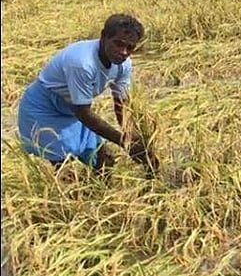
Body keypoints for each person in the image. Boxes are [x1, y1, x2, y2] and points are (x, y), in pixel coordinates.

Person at [17, 14, 148, 169]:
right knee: (67, 169)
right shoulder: (82, 63)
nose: (124, 52)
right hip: (44, 109)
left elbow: (121, 106)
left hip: (71, 109)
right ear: (103, 37)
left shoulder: (123, 65)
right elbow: (83, 114)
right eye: (118, 44)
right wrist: (123, 142)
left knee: (104, 162)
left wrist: (135, 141)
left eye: (130, 48)